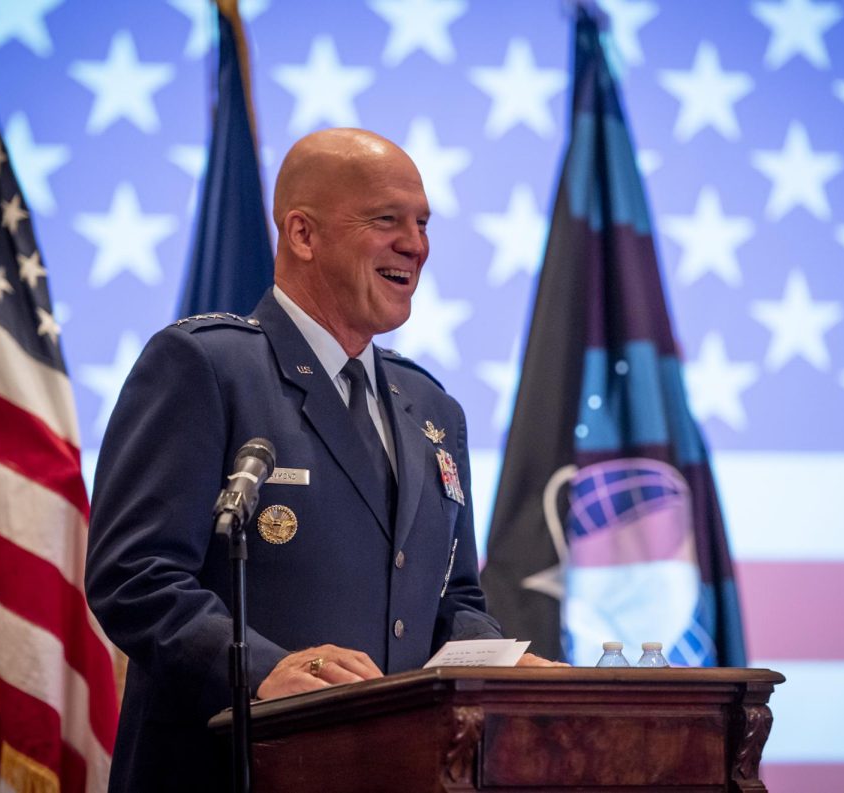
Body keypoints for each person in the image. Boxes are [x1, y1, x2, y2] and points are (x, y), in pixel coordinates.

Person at [85, 128, 558, 791]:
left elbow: (453, 598)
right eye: (386, 220)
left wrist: (496, 662)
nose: (416, 244)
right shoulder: (208, 366)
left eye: (422, 223)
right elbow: (133, 573)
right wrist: (262, 672)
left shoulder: (433, 408)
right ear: (303, 235)